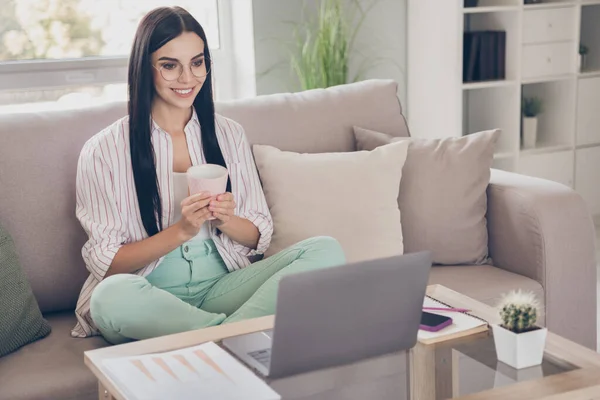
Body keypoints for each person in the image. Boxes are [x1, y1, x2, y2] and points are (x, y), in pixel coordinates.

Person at [70, 6, 346, 344]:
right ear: (145, 68)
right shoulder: (103, 150)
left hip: (222, 287)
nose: (187, 78)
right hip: (148, 293)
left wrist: (226, 220)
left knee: (325, 250)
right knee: (108, 297)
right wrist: (182, 230)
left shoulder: (228, 133)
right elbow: (107, 264)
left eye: (197, 62)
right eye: (170, 66)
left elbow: (259, 233)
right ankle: (242, 338)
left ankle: (218, 341)